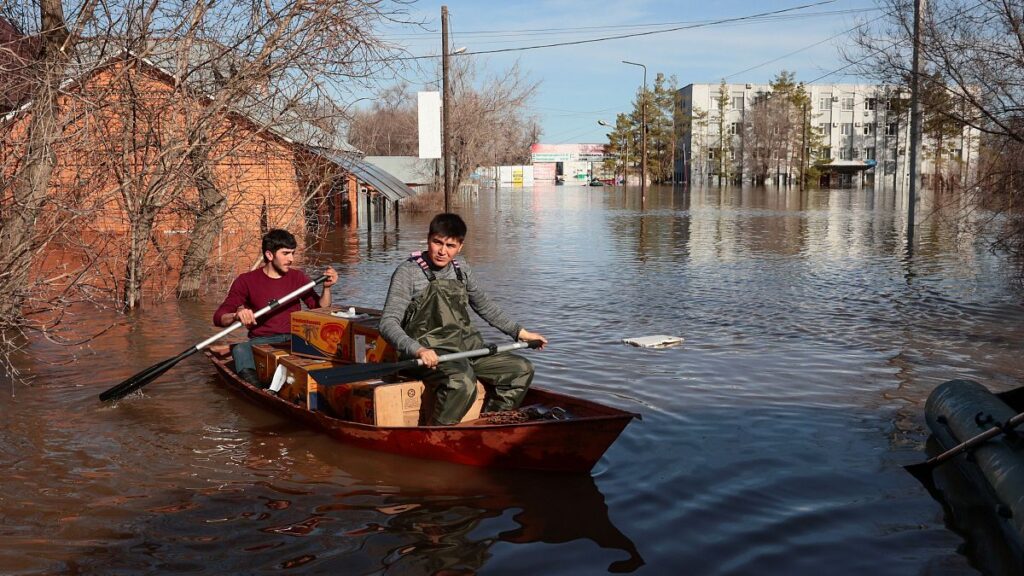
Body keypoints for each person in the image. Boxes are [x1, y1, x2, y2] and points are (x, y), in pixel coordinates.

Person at [379, 213, 547, 425]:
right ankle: (437, 436)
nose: (442, 251)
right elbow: (387, 323)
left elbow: (485, 306)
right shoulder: (408, 272)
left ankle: (491, 424)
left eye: (450, 245)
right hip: (426, 355)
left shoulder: (461, 269)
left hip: (465, 348)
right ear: (428, 239)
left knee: (521, 370)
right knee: (461, 382)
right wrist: (418, 350)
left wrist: (521, 333)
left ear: (460, 246)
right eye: (437, 242)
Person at [213, 229, 338, 386]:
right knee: (239, 349)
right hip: (262, 341)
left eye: (292, 253)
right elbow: (219, 317)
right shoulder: (246, 281)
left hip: (296, 339)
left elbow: (319, 309)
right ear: (269, 255)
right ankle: (258, 389)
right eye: (285, 253)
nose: (291, 259)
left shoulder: (298, 277)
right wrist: (237, 315)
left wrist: (327, 288)